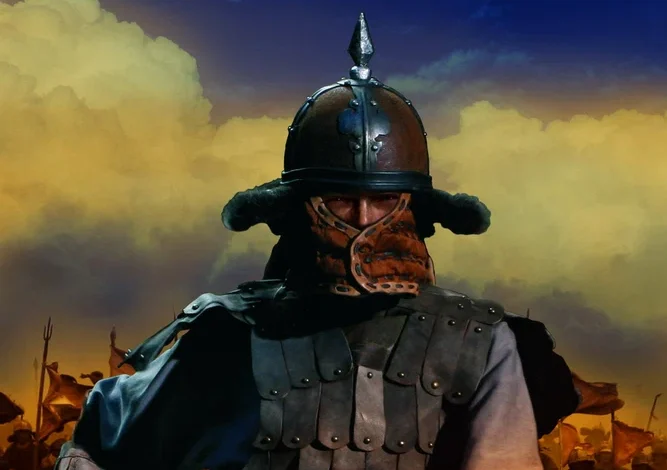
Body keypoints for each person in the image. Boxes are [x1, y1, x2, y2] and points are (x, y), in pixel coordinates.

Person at [57, 12, 579, 470]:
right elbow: (104, 433)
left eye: (382, 201)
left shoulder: (478, 341)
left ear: (414, 209)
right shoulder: (230, 330)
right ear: (300, 206)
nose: (363, 221)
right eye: (341, 200)